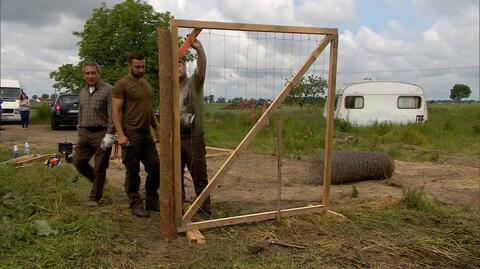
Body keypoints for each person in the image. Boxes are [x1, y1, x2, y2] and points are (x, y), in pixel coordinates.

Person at [112, 51, 160, 218]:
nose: (141, 70)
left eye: (143, 67)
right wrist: (121, 135)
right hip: (130, 134)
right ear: (129, 66)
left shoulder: (145, 84)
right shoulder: (122, 85)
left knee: (155, 168)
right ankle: (135, 203)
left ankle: (152, 200)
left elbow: (149, 109)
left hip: (146, 134)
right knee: (132, 171)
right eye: (137, 67)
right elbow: (116, 111)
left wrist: (157, 127)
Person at [73, 62, 114, 206]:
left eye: (93, 73)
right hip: (85, 133)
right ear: (84, 75)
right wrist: (79, 129)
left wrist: (110, 136)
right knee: (78, 161)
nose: (90, 76)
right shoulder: (83, 91)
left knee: (100, 166)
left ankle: (95, 197)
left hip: (103, 133)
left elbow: (113, 115)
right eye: (87, 73)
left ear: (99, 74)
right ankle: (98, 181)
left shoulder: (109, 90)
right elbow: (81, 112)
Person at [178, 38, 211, 217]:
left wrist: (199, 50)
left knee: (199, 173)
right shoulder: (168, 87)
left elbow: (202, 68)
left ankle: (204, 209)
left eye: (180, 63)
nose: (177, 67)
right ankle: (179, 207)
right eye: (173, 64)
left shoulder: (194, 83)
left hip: (194, 138)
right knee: (176, 175)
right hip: (175, 139)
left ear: (185, 67)